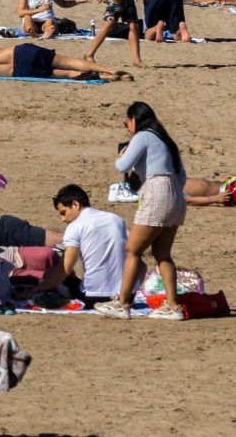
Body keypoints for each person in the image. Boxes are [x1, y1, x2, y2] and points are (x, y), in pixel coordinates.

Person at [95, 103, 186, 320]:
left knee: (132, 250)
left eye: (127, 121)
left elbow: (122, 166)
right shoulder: (165, 140)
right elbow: (182, 176)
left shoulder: (143, 136)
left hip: (156, 191)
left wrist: (123, 153)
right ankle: (173, 306)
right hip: (175, 195)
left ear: (135, 119)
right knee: (162, 254)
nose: (126, 125)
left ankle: (123, 302)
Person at [53, 184, 133, 306]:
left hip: (93, 297)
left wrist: (38, 287)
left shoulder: (75, 226)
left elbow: (64, 269)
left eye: (64, 212)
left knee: (57, 280)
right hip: (125, 295)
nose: (63, 219)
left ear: (76, 205)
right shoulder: (116, 219)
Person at [0, 33, 132, 82]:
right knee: (68, 61)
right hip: (20, 52)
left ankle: (108, 78)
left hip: (20, 71)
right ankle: (109, 69)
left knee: (66, 74)